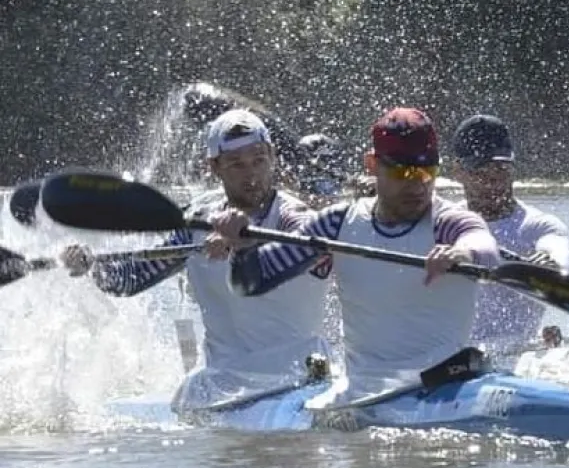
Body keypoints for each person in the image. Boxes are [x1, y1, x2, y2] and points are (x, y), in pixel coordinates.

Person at [209, 107, 501, 403]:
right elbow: (251, 283)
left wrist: (462, 252)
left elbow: (485, 247)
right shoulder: (336, 224)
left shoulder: (447, 222)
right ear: (372, 165)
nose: (418, 185)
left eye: (428, 171)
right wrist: (243, 248)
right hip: (365, 396)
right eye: (403, 172)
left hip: (445, 384)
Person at [60, 108, 336, 410]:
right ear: (214, 167)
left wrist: (242, 243)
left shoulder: (291, 215)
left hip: (298, 379)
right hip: (223, 388)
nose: (252, 174)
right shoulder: (198, 221)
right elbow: (130, 280)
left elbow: (309, 244)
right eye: (237, 164)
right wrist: (91, 266)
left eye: (259, 160)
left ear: (272, 156)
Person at [450, 114, 569, 357]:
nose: (493, 182)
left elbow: (560, 255)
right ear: (458, 172)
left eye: (501, 170)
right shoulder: (442, 223)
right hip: (452, 357)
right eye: (481, 172)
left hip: (516, 356)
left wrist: (553, 267)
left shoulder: (537, 226)